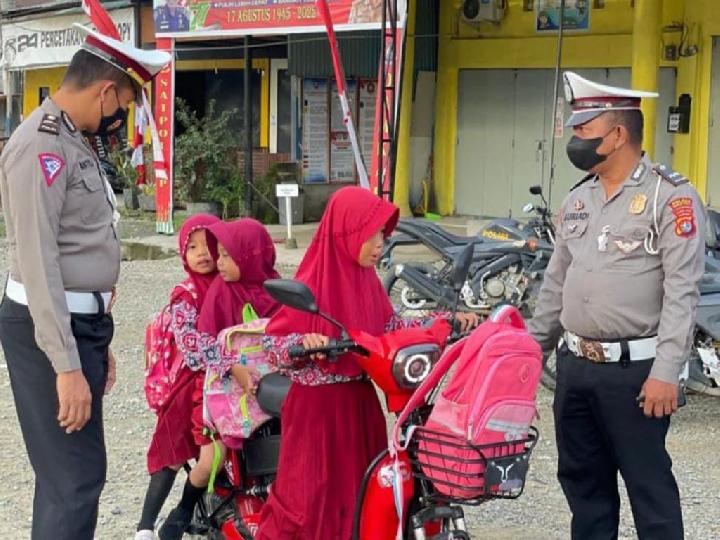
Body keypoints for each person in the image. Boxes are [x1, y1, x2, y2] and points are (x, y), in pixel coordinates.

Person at [0, 24, 170, 540]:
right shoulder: (40, 146)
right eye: (123, 105)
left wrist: (95, 335)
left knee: (68, 478)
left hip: (77, 324)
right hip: (46, 327)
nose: (120, 118)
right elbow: (39, 261)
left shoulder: (71, 138)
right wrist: (66, 362)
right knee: (74, 480)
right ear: (107, 90)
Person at [528, 71, 705, 539]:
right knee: (584, 489)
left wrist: (667, 370)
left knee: (649, 489)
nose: (575, 140)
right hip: (575, 368)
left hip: (636, 376)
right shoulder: (579, 198)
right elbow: (555, 283)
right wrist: (528, 358)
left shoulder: (671, 198)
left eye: (584, 131)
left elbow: (682, 291)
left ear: (618, 134)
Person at [255, 186, 477, 539]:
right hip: (316, 416)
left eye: (382, 236)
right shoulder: (310, 282)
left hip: (360, 406)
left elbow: (393, 330)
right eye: (370, 235)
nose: (379, 245)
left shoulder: (368, 284)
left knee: (368, 496)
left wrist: (442, 321)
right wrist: (304, 343)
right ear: (345, 232)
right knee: (312, 502)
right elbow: (272, 345)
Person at [159, 218, 281, 540]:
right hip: (221, 389)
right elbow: (199, 344)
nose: (213, 259)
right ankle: (181, 512)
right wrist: (232, 366)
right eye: (195, 247)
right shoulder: (212, 294)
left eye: (224, 254)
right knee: (212, 457)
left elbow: (288, 331)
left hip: (266, 386)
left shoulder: (276, 288)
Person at [136, 214, 220, 540]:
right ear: (182, 253)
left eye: (209, 244)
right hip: (191, 379)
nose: (202, 253)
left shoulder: (229, 283)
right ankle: (145, 526)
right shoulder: (185, 294)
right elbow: (191, 346)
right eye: (193, 246)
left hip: (223, 379)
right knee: (172, 450)